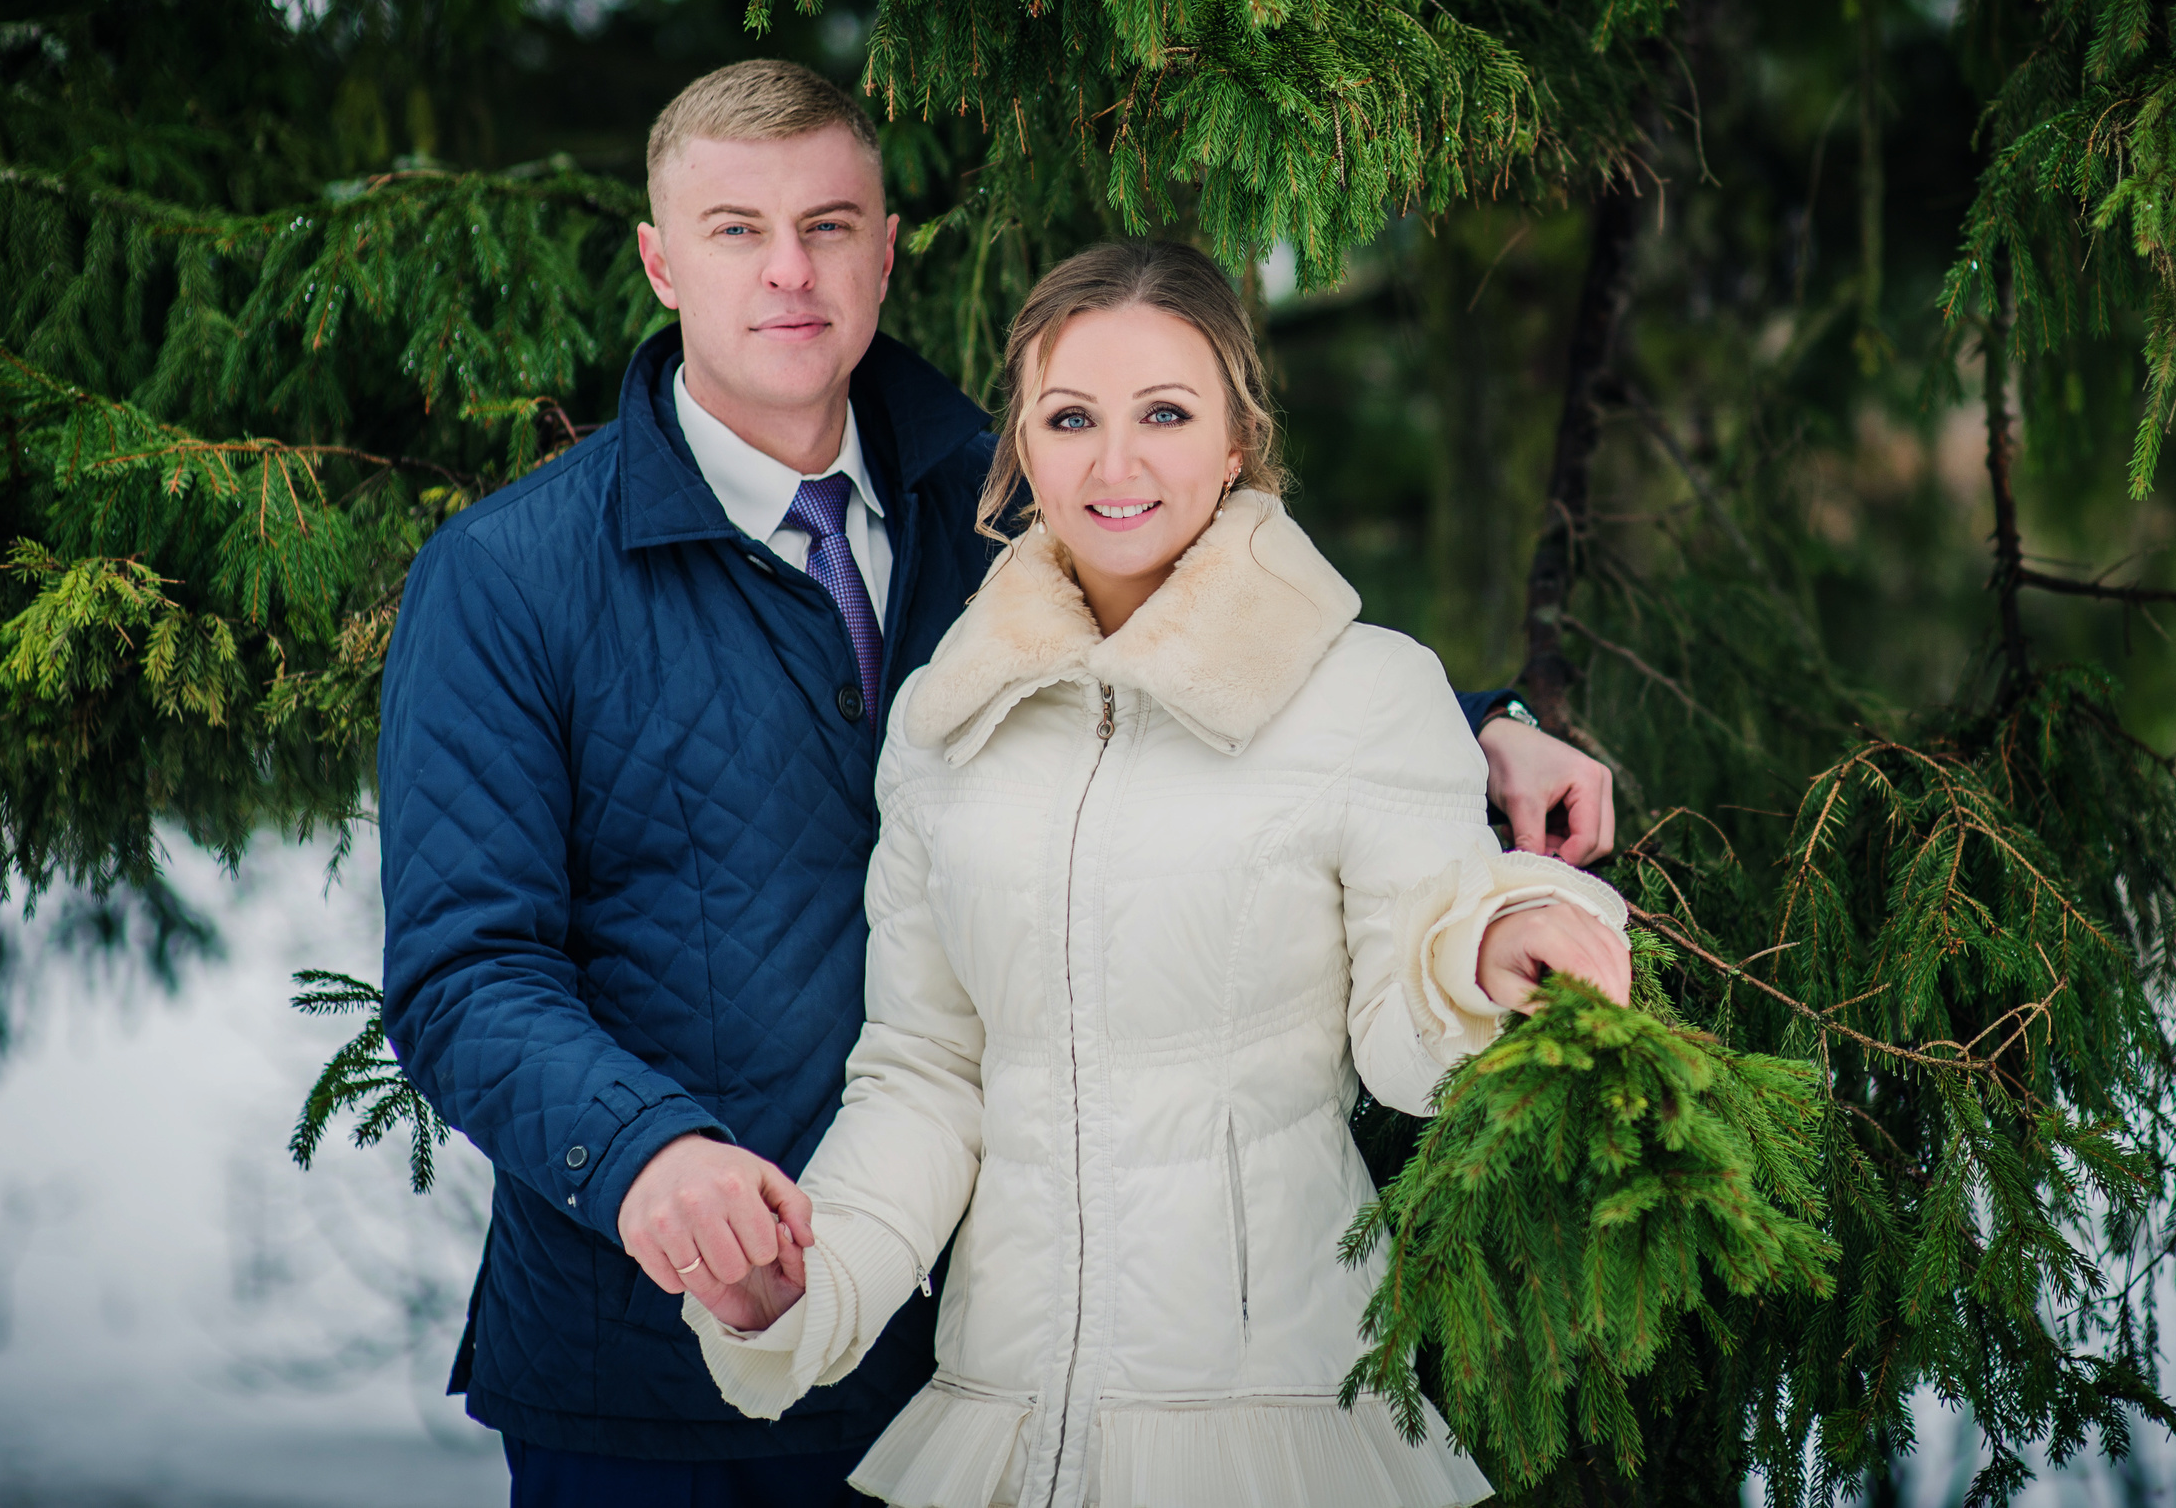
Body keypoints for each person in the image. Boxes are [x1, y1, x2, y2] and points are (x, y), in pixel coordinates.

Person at [377, 59, 1621, 1507]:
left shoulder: (988, 498)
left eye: (830, 224)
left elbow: (1213, 651)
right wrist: (649, 1158)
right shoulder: (510, 577)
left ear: (889, 249)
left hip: (967, 1367)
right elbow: (468, 969)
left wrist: (1476, 724)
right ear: (661, 259)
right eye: (734, 230)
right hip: (651, 1364)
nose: (789, 270)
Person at [679, 240, 1633, 1508]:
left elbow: (1410, 1025)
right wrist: (815, 1277)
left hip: (1264, 1423)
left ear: (1237, 438)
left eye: (1165, 414)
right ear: (1020, 444)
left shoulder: (1365, 691)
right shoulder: (948, 717)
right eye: (1069, 418)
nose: (1114, 464)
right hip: (1008, 1418)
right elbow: (927, 1074)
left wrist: (1496, 939)